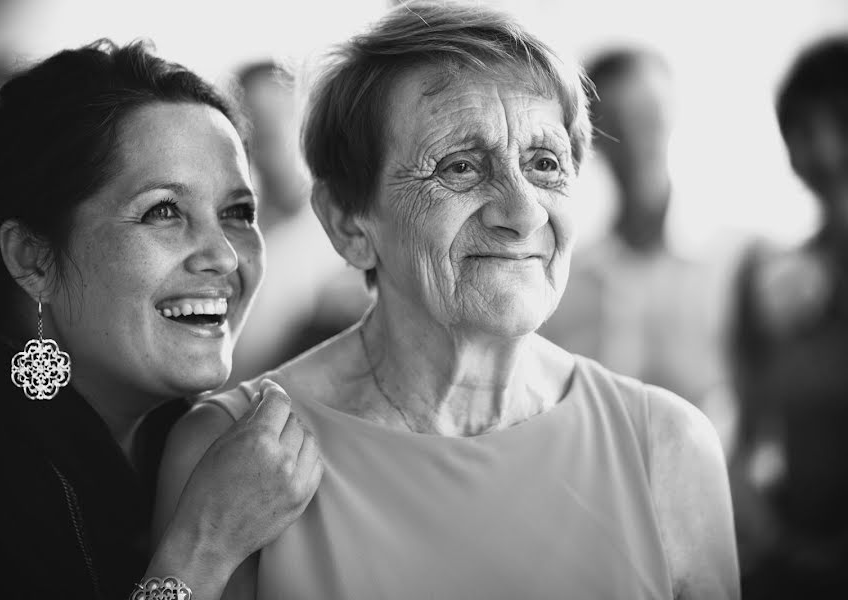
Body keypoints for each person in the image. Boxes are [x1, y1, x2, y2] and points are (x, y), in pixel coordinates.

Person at [154, 2, 739, 598]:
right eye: (460, 166)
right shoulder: (229, 454)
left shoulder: (669, 448)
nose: (522, 211)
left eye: (544, 163)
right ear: (349, 224)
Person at [0, 39, 322, 600]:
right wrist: (204, 544)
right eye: (164, 210)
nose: (223, 255)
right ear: (32, 259)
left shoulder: (196, 438)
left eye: (238, 213)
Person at [537, 47, 730, 407]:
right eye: (617, 123)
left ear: (672, 118)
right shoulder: (561, 283)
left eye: (648, 117)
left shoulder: (732, 265)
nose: (639, 142)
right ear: (591, 140)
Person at [726, 35, 848, 599]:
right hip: (790, 560)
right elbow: (748, 432)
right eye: (797, 131)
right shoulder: (771, 277)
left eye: (837, 123)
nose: (820, 153)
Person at [225, 60, 370, 386]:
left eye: (279, 126)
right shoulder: (228, 238)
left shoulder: (357, 226)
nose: (270, 146)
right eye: (256, 132)